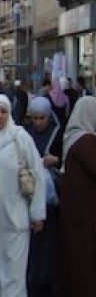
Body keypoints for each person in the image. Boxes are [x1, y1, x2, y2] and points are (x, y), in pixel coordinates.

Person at [0, 94, 46, 297]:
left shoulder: (21, 138)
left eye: (3, 112)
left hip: (15, 221)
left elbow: (38, 175)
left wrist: (37, 213)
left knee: (13, 277)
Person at [58, 96, 96, 297]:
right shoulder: (85, 142)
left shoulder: (73, 136)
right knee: (84, 266)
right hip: (84, 217)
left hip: (75, 215)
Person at [24, 97, 61, 296]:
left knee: (47, 243)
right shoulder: (25, 133)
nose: (38, 123)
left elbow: (65, 159)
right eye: (35, 118)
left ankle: (45, 279)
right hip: (28, 196)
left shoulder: (56, 133)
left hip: (49, 200)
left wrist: (55, 160)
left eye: (42, 118)